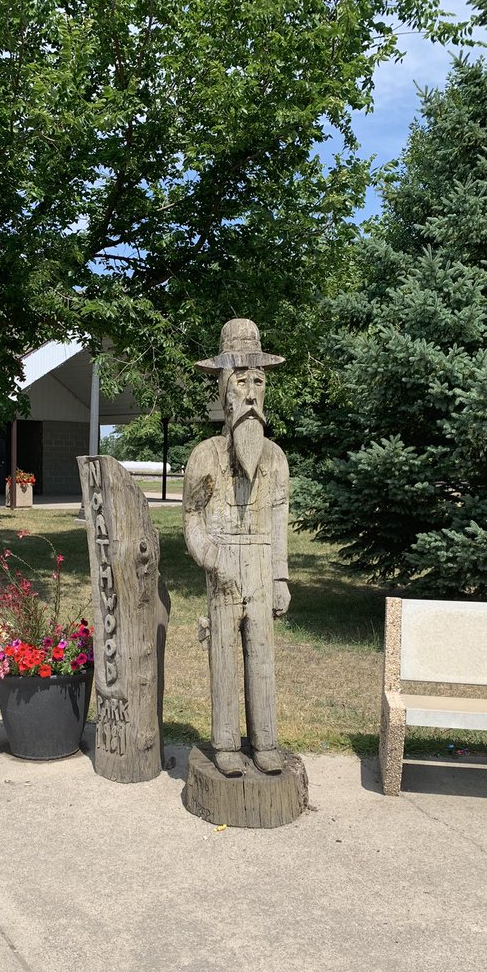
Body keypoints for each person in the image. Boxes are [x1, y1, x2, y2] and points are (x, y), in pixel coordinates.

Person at [183, 319, 290, 777]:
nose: (250, 393)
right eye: (241, 381)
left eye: (258, 382)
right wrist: (212, 555)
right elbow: (191, 520)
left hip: (262, 567)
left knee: (262, 654)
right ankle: (225, 743)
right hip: (224, 567)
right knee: (223, 653)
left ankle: (265, 741)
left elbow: (282, 524)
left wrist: (281, 577)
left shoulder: (276, 459)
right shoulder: (204, 455)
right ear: (225, 390)